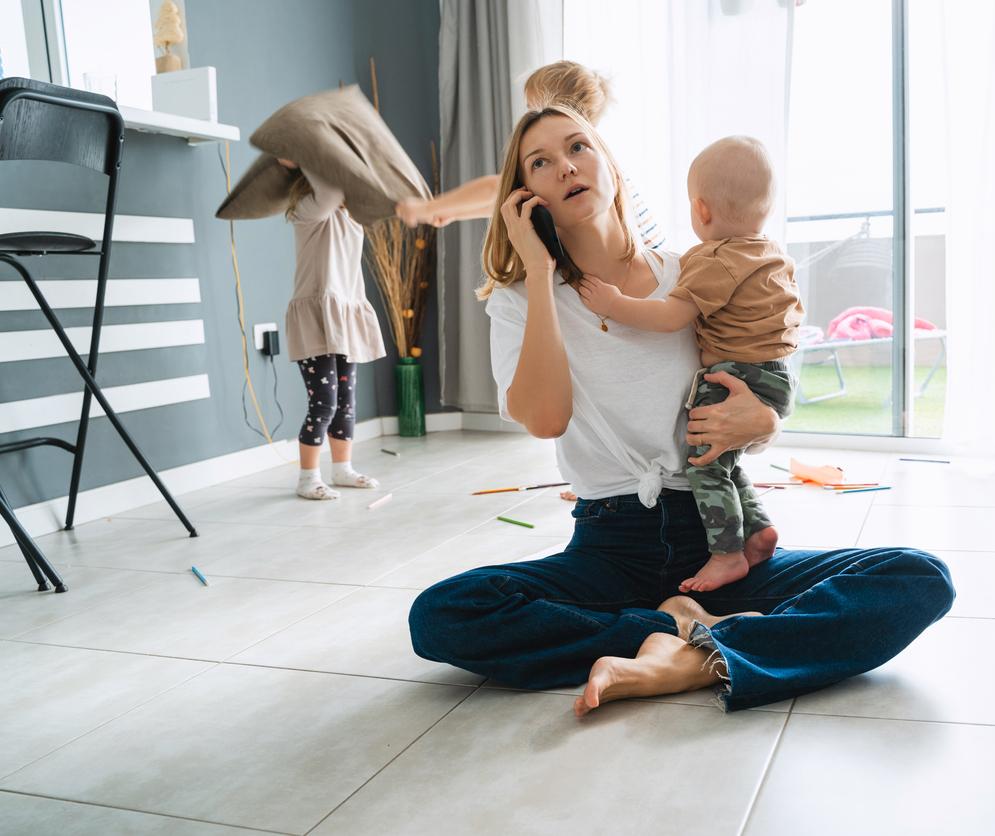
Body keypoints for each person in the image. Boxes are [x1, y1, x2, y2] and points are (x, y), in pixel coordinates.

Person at [407, 104, 955, 715]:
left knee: (916, 577)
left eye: (578, 147)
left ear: (610, 165)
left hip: (715, 542)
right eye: (541, 162)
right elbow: (546, 419)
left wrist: (767, 423)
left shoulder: (695, 272)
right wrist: (537, 272)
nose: (565, 166)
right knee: (443, 614)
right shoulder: (519, 302)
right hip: (608, 545)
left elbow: (758, 379)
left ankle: (687, 654)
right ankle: (688, 637)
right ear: (525, 196)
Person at [577, 136, 803, 593]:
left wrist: (615, 302)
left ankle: (726, 554)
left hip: (731, 374)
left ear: (701, 210)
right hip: (776, 376)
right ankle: (758, 530)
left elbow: (669, 316)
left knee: (703, 464)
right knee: (726, 460)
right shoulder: (771, 253)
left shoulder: (714, 260)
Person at [396, 60, 664, 250]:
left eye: (533, 108)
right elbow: (513, 197)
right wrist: (454, 212)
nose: (529, 118)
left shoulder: (598, 165)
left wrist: (429, 208)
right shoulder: (587, 161)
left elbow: (495, 188)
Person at [279, 159, 386, 500]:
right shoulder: (307, 211)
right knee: (324, 403)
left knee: (346, 403)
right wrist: (311, 158)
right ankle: (307, 477)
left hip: (343, 315)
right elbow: (330, 190)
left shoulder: (347, 217)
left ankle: (342, 469)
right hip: (315, 317)